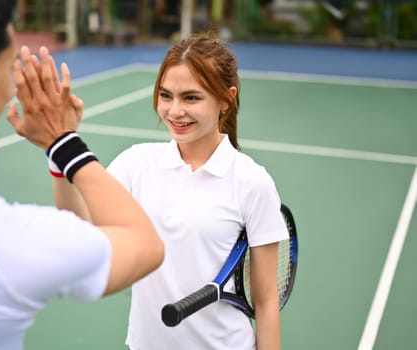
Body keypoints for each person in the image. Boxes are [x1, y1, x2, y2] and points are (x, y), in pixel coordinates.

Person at [0, 1, 163, 349]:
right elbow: (145, 245)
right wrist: (63, 142)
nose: (11, 88)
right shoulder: (5, 242)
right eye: (9, 68)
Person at [41, 34, 290, 349]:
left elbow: (266, 301)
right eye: (165, 95)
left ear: (225, 100)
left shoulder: (253, 182)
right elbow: (81, 226)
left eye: (191, 98)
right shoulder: (137, 163)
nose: (174, 111)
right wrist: (59, 147)